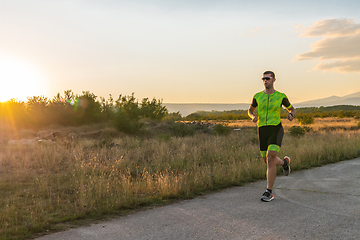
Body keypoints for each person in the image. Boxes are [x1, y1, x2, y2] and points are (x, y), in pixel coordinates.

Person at [248, 71, 296, 202]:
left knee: (271, 156)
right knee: (268, 161)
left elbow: (292, 108)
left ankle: (269, 192)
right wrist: (253, 116)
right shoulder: (257, 96)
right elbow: (250, 110)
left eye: (267, 78)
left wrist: (291, 115)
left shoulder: (281, 96)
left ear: (274, 79)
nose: (265, 80)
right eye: (263, 78)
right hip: (262, 129)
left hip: (276, 129)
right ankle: (284, 162)